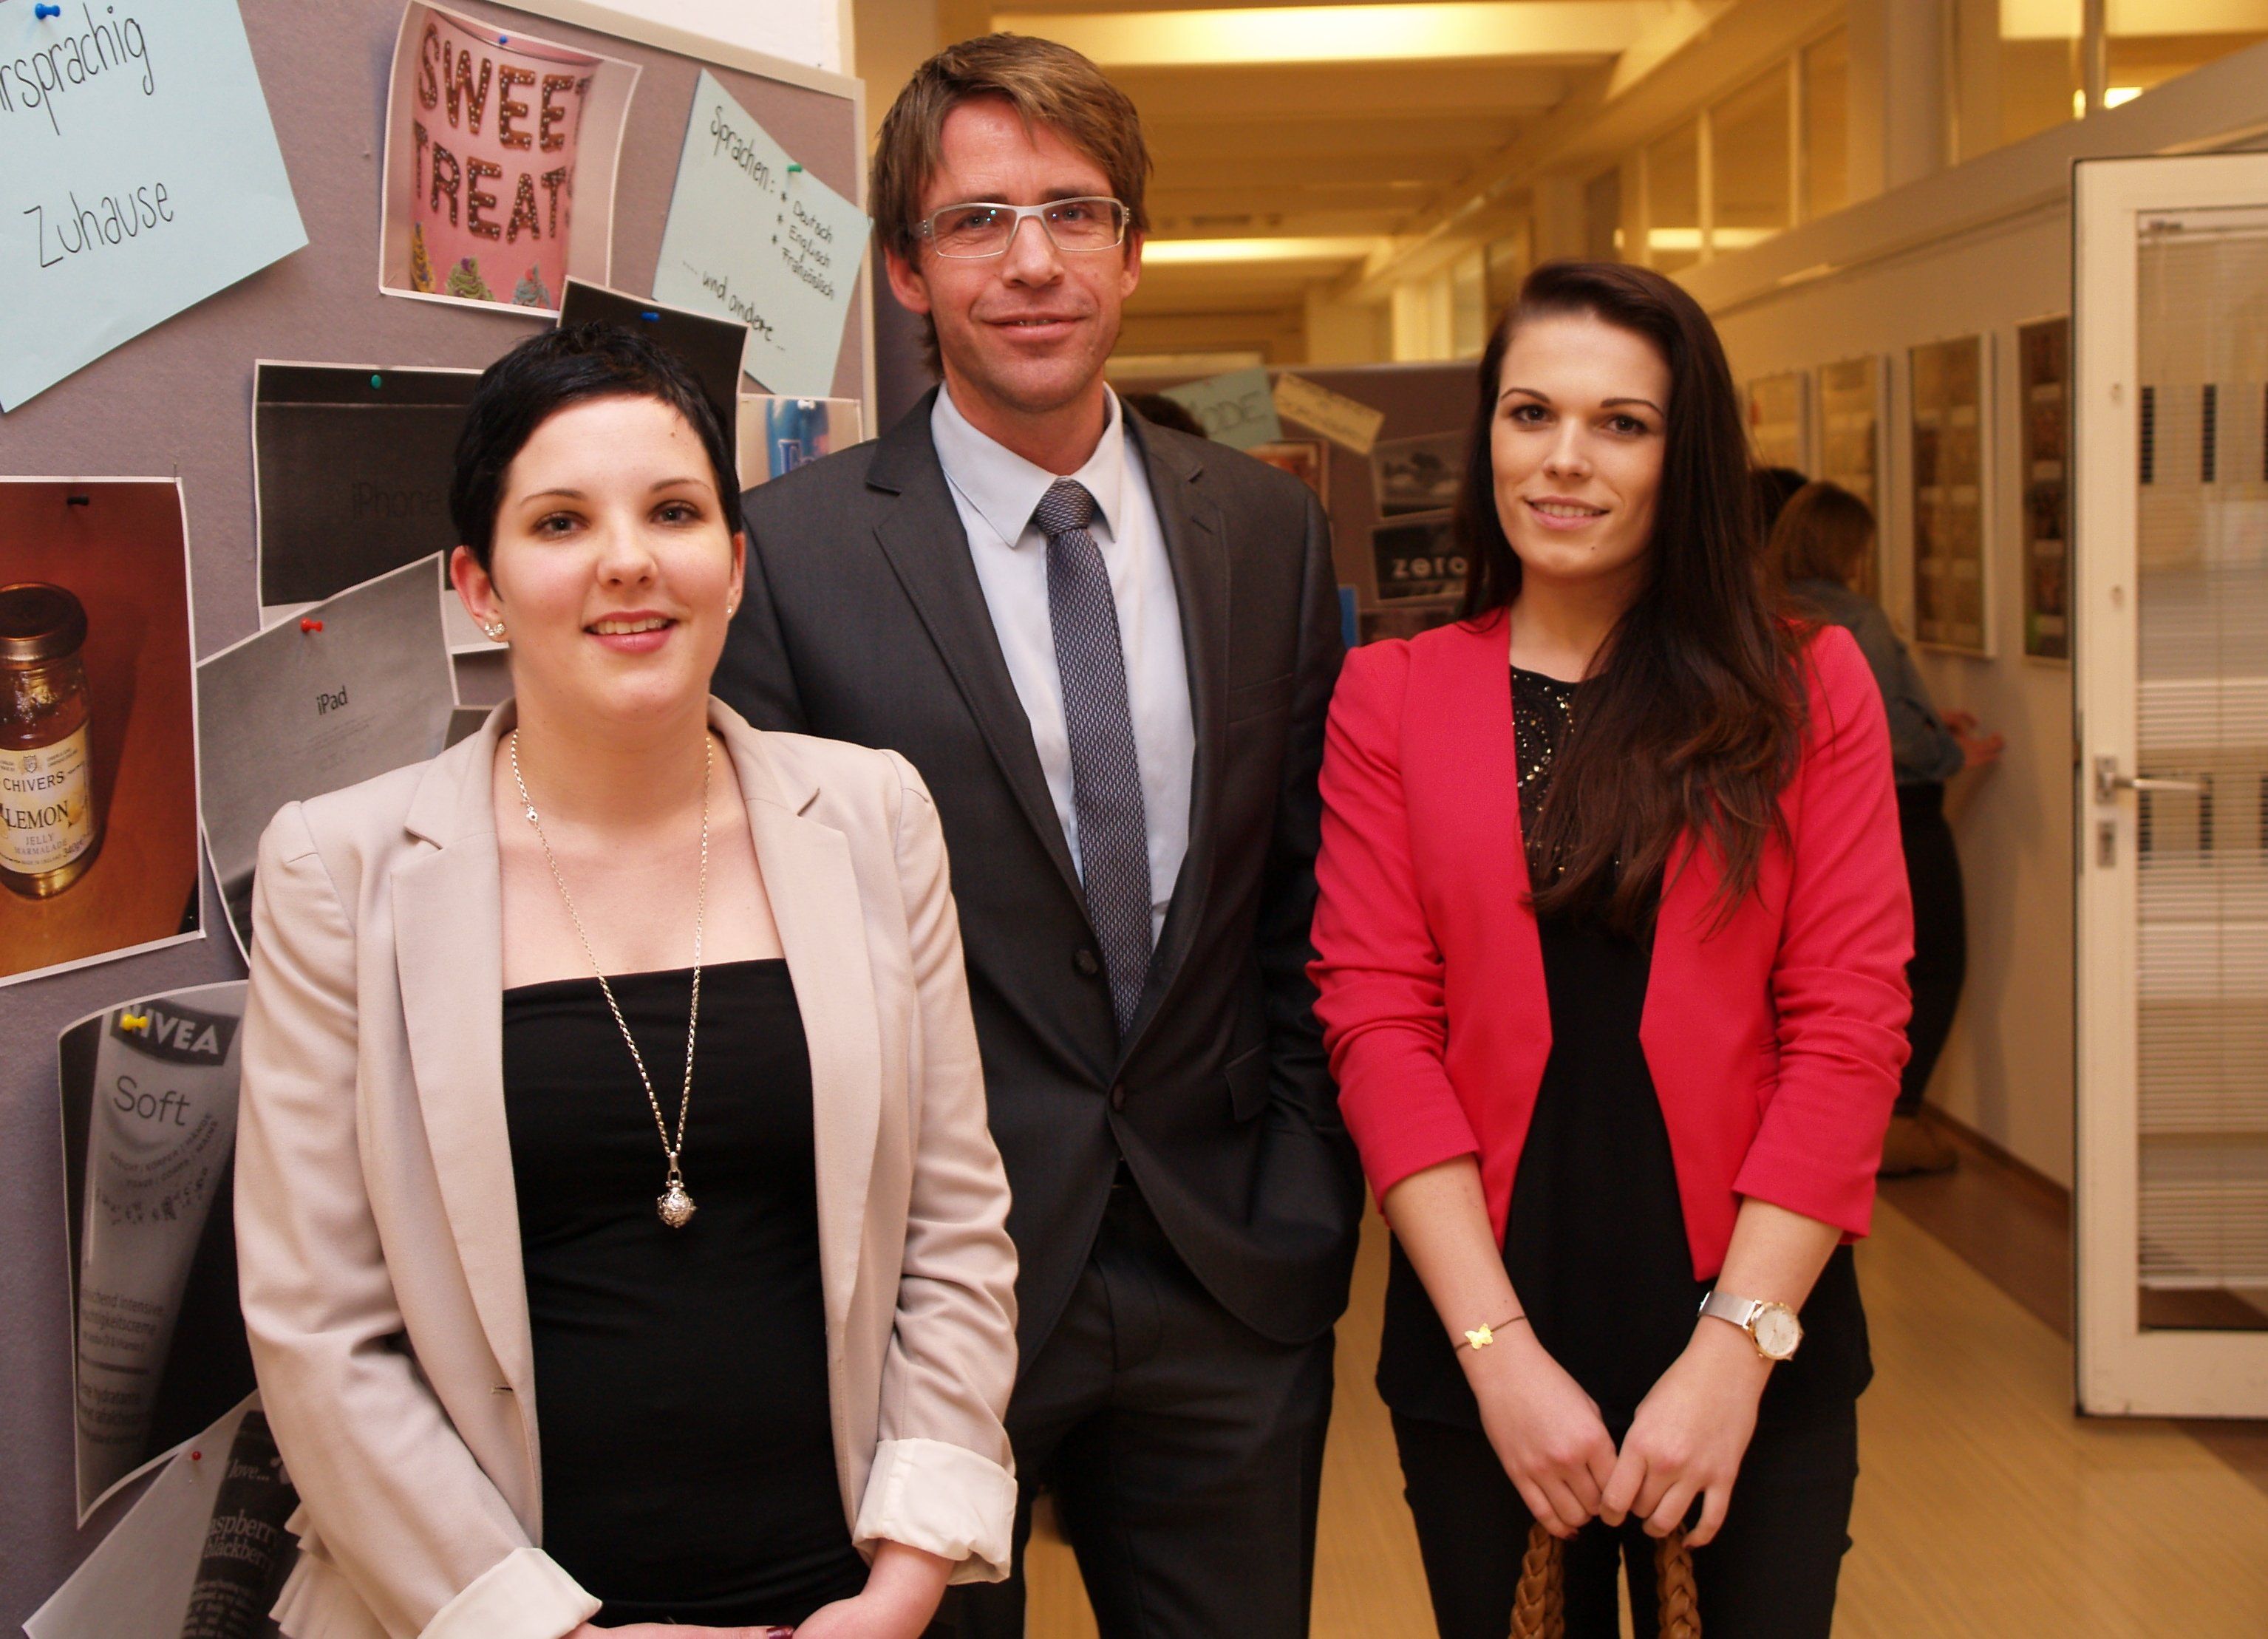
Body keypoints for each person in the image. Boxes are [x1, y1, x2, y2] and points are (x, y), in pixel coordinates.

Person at [715, 33, 1363, 1639]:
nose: (1030, 263)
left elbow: (1302, 896)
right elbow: (773, 955)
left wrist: (1300, 1185)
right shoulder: (787, 557)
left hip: (1227, 1272)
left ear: (1131, 253)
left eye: (1074, 213)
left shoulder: (1263, 529)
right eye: (976, 221)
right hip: (929, 1299)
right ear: (906, 270)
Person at [233, 326, 1018, 1639]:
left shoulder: (872, 815)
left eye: (673, 511)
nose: (628, 559)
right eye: (559, 521)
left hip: (842, 1599)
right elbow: (320, 1331)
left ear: (735, 564)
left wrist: (902, 1582)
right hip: (477, 1611)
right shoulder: (340, 868)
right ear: (478, 585)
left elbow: (954, 1228)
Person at [1310, 262, 1912, 1638]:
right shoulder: (1391, 696)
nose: (1564, 458)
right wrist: (1497, 1355)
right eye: (1530, 413)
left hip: (1754, 1331)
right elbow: (1378, 1027)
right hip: (1485, 1339)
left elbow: (1848, 1027)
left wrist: (1731, 1355)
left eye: (1620, 423)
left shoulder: (1802, 686)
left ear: (1682, 455)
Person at [1771, 479, 2002, 1176]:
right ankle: (1895, 1123)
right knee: (1929, 961)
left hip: (1798, 805)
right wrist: (1949, 753)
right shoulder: (1854, 618)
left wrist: (1932, 720)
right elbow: (1887, 728)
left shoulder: (1767, 606)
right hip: (1900, 806)